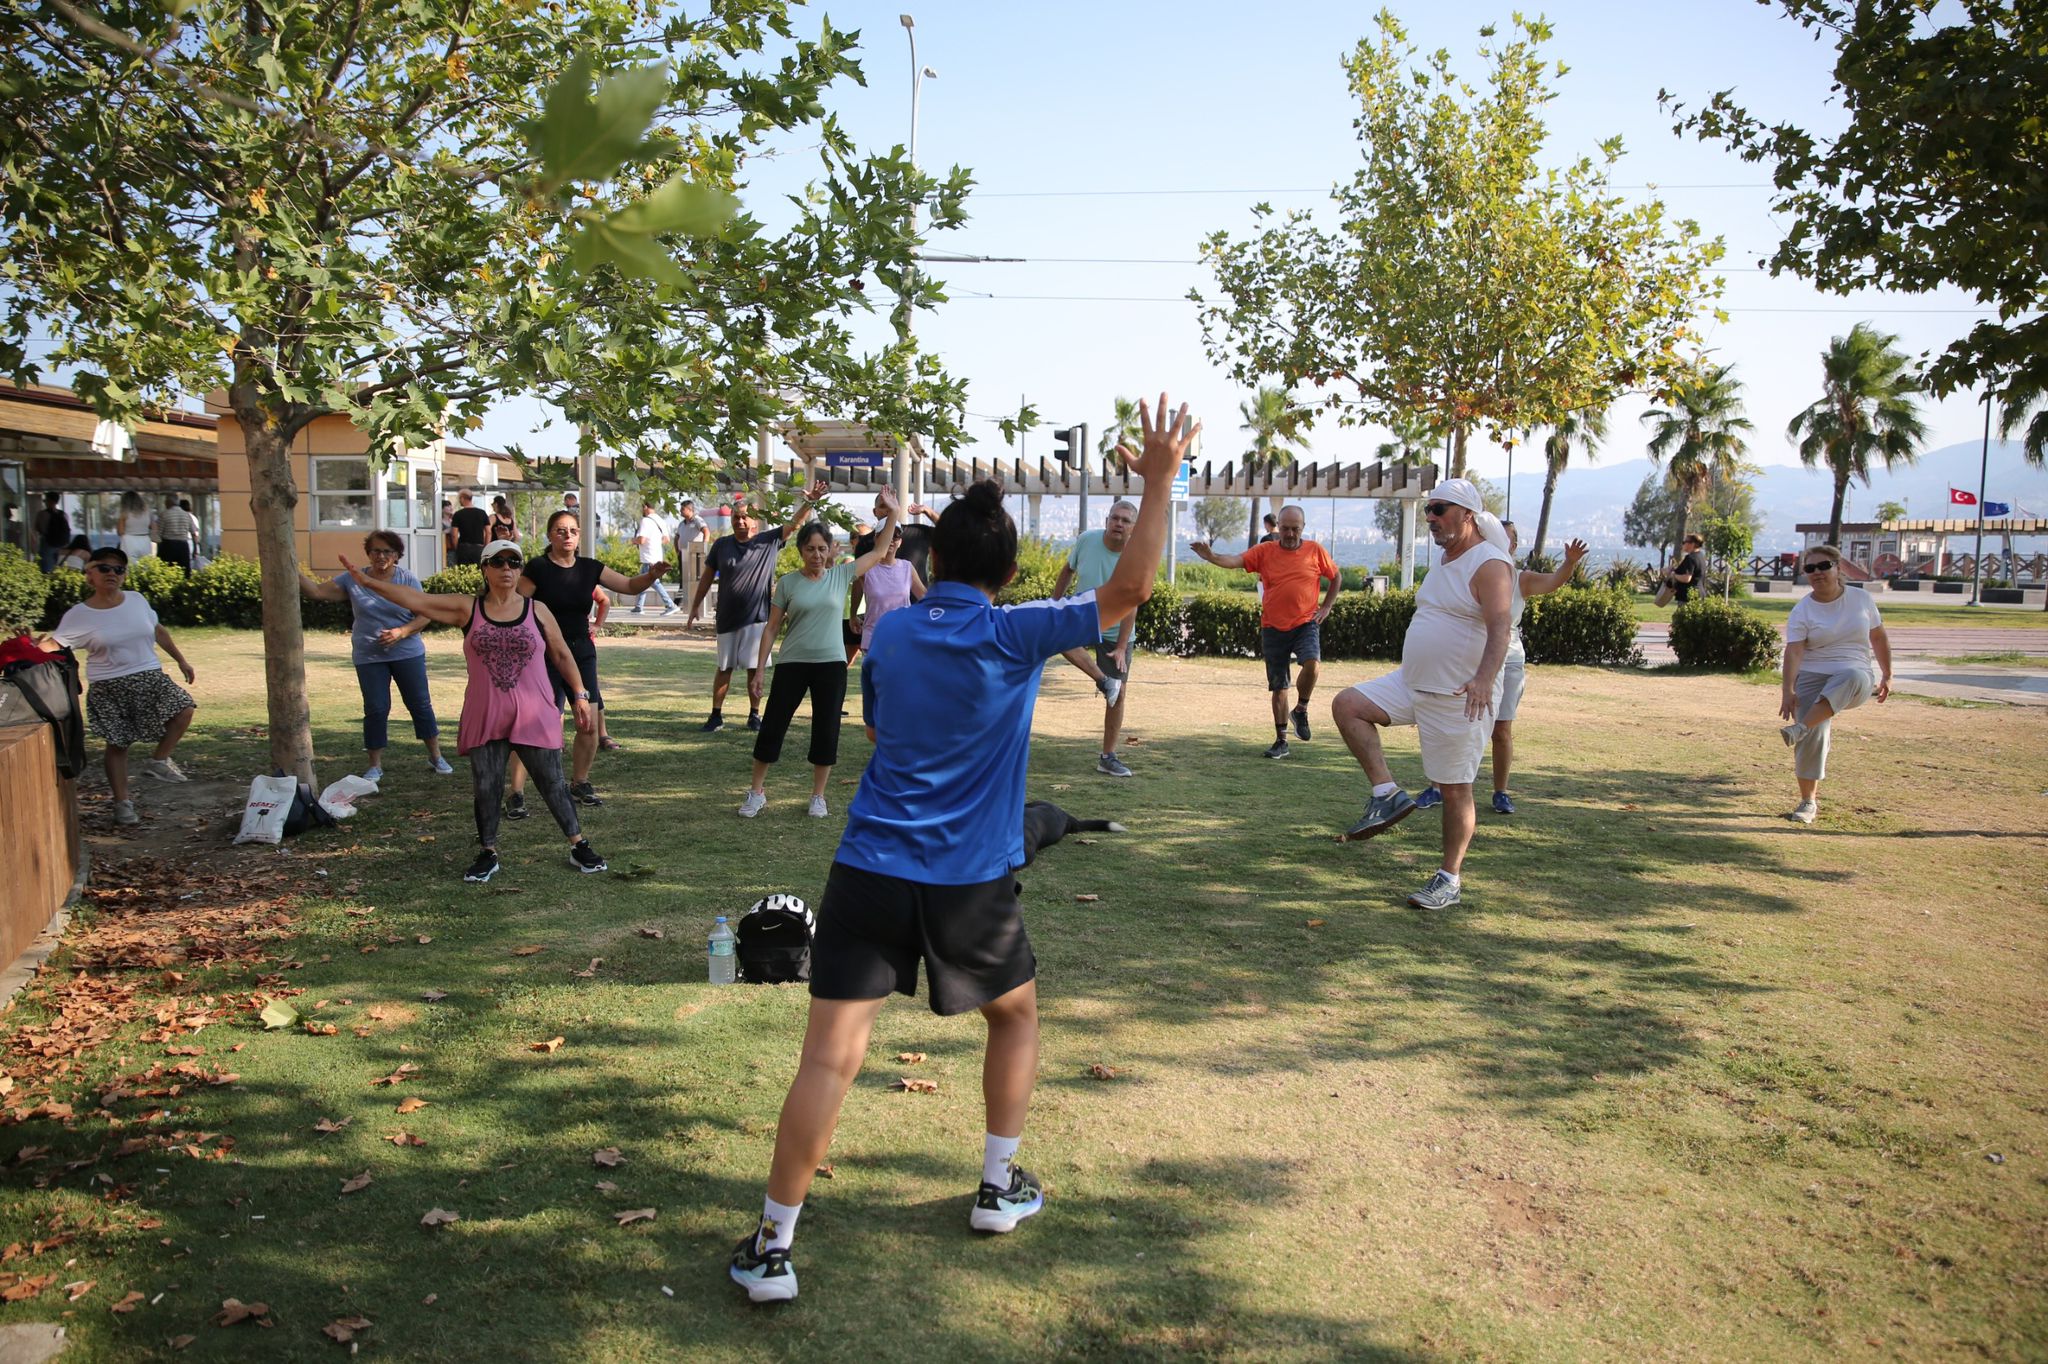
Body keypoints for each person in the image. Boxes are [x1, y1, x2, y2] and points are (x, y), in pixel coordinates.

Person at [727, 393, 1198, 1306]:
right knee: (1015, 1016)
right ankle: (997, 1186)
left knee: (829, 1058)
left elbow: (877, 725)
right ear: (1011, 572)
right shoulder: (1014, 631)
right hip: (969, 885)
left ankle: (773, 1246)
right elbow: (1129, 593)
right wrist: (1158, 479)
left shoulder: (892, 628)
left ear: (930, 560)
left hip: (867, 870)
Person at [341, 539, 605, 881]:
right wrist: (370, 583)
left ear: (521, 569)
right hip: (487, 712)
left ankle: (578, 844)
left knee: (552, 781)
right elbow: (417, 600)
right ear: (485, 568)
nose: (507, 568)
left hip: (535, 711)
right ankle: (488, 852)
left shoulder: (537, 610)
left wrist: (580, 695)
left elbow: (561, 654)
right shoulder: (468, 608)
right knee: (486, 785)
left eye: (514, 562)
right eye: (498, 562)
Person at [1330, 479, 1513, 910]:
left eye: (1439, 509)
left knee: (1454, 790)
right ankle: (1386, 794)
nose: (1430, 517)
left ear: (1467, 514)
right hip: (1412, 684)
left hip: (1458, 694)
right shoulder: (1446, 560)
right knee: (1348, 704)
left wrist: (1485, 679)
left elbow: (1501, 626)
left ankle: (1448, 879)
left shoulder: (1490, 563)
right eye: (1428, 509)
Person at [739, 494, 903, 819]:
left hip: (831, 665)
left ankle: (818, 796)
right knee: (773, 726)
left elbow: (881, 550)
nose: (816, 554)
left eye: (822, 548)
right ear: (801, 550)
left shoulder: (841, 576)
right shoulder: (787, 584)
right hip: (792, 664)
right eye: (810, 548)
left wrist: (894, 513)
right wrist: (759, 670)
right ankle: (756, 792)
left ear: (830, 551)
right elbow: (771, 629)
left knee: (826, 729)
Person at [1414, 525, 1589, 814]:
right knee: (1446, 722)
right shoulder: (1467, 568)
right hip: (1466, 659)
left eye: (1505, 538)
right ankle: (1436, 788)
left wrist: (1569, 562)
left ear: (1514, 546)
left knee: (1502, 729)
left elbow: (1555, 581)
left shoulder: (1521, 579)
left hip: (1507, 661)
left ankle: (1500, 792)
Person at [505, 509, 671, 812]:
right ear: (549, 536)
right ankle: (516, 793)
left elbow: (630, 586)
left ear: (580, 535)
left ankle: (579, 782)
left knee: (589, 723)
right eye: (560, 530)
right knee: (533, 724)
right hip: (543, 653)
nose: (567, 536)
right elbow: (516, 605)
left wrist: (652, 575)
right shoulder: (539, 568)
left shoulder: (590, 567)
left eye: (572, 530)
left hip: (581, 651)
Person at [40, 546, 197, 827]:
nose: (112, 573)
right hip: (108, 686)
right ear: (89, 575)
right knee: (118, 744)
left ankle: (158, 761)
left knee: (184, 709)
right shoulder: (79, 614)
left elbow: (158, 630)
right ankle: (122, 804)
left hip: (148, 676)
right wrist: (27, 647)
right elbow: (55, 643)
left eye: (119, 569)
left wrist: (182, 661)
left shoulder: (136, 600)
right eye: (104, 568)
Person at [296, 530, 452, 781]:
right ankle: (374, 765)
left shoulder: (407, 579)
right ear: (368, 553)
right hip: (369, 656)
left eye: (387, 551)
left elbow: (426, 613)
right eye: (376, 550)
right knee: (376, 708)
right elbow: (316, 592)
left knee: (419, 704)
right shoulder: (352, 579)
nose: (381, 556)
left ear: (397, 555)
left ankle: (435, 756)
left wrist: (402, 632)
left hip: (407, 653)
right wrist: (291, 566)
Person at [1189, 504, 1340, 758]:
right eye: (1285, 529)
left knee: (1313, 665)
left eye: (1295, 529)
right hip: (1273, 627)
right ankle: (1281, 741)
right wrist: (1212, 557)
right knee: (1279, 687)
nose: (1290, 534)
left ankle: (1301, 709)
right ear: (1277, 527)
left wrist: (1326, 606)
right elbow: (1236, 560)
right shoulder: (1265, 551)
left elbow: (1335, 577)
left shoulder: (1315, 550)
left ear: (1303, 528)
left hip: (1305, 623)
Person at [687, 485, 825, 732]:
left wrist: (810, 503)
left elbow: (793, 524)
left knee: (754, 668)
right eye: (736, 518)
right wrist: (695, 605)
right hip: (727, 618)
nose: (740, 521)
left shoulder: (769, 541)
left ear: (754, 522)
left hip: (757, 618)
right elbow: (707, 578)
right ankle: (716, 715)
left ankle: (754, 715)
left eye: (744, 517)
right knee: (724, 668)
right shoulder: (721, 545)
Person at [1778, 543, 1890, 824]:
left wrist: (1888, 674)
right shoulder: (1802, 610)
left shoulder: (1861, 599)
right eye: (1810, 568)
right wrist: (1788, 691)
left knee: (1849, 677)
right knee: (1813, 738)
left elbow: (1878, 637)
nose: (1817, 573)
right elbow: (1794, 651)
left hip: (1855, 678)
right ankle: (1808, 802)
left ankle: (1801, 727)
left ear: (1838, 568)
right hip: (1813, 675)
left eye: (1824, 566)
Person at [1052, 500, 1138, 777]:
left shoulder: (1135, 557)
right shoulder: (1087, 540)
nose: (1118, 524)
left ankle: (1108, 757)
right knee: (1058, 638)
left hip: (1116, 631)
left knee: (1119, 695)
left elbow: (1131, 604)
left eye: (1125, 521)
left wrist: (1122, 647)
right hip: (1083, 618)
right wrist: (1054, 605)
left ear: (1133, 528)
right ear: (1107, 520)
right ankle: (1103, 680)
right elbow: (1067, 571)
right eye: (1115, 518)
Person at [855, 524, 926, 741]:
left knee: (900, 689)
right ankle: (881, 736)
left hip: (903, 639)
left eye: (897, 536)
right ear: (878, 538)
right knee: (879, 691)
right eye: (887, 536)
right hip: (874, 638)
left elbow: (924, 596)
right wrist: (852, 614)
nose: (892, 540)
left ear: (901, 542)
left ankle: (897, 737)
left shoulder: (906, 568)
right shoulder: (868, 568)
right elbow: (856, 589)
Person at [630, 500, 679, 614]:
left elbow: (642, 540)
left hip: (649, 558)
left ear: (645, 507)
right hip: (656, 556)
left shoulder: (646, 521)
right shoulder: (660, 520)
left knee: (653, 582)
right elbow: (666, 540)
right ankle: (638, 607)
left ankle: (670, 605)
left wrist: (632, 541)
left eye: (642, 508)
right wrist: (655, 542)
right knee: (643, 581)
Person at [672, 498, 709, 611]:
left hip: (696, 554)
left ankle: (695, 604)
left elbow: (706, 532)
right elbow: (677, 537)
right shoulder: (681, 524)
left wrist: (704, 547)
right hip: (683, 554)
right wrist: (677, 550)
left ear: (690, 509)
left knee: (697, 579)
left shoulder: (698, 520)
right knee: (683, 580)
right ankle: (678, 604)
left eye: (682, 509)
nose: (680, 511)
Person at [155, 495, 198, 576]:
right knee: (184, 573)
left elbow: (158, 534)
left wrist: (159, 550)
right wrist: (195, 549)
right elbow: (194, 533)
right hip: (183, 546)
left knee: (167, 573)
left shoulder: (164, 514)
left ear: (169, 503)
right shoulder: (186, 515)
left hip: (168, 546)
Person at [448, 490, 489, 566]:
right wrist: (485, 547)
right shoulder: (482, 513)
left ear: (462, 498)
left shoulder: (458, 514)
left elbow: (454, 534)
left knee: (464, 572)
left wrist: (456, 548)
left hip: (464, 548)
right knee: (479, 572)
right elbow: (488, 532)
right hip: (479, 548)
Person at [1665, 533, 1707, 603]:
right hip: (1699, 593)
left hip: (1688, 596)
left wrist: (1673, 575)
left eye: (1684, 542)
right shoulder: (1700, 556)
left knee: (1683, 614)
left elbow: (1687, 578)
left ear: (1692, 544)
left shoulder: (1690, 558)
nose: (1683, 544)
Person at [33, 494, 69, 573]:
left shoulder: (42, 514)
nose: (45, 502)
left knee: (46, 568)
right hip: (61, 544)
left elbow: (37, 528)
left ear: (49, 501)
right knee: (58, 567)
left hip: (47, 543)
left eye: (45, 500)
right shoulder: (63, 514)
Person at [117, 491, 152, 561]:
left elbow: (120, 531)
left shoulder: (124, 513)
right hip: (145, 539)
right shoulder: (147, 512)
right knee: (146, 566)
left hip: (129, 541)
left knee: (130, 567)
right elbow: (152, 526)